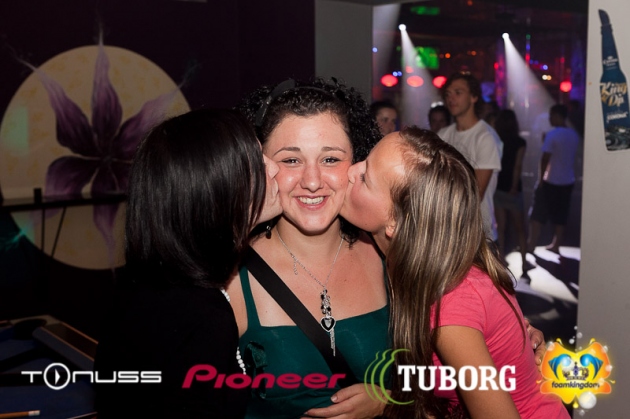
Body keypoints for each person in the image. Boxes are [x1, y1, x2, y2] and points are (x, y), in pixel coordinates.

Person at [341, 127, 569, 419]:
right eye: (364, 160)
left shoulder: (450, 304)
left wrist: (388, 403)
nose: (350, 170)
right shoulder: (419, 264)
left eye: (365, 177)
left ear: (396, 221)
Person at [94, 109, 282, 418]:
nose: (273, 168)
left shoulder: (144, 285)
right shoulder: (201, 319)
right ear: (216, 190)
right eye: (257, 162)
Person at [227, 78, 389, 419]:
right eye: (291, 160)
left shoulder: (391, 255)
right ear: (260, 165)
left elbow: (453, 383)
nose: (312, 181)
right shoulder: (229, 276)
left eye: (330, 159)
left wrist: (391, 401)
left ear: (357, 162)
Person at [438, 72, 502, 242]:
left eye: (458, 93)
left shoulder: (485, 137)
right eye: (448, 94)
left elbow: (475, 194)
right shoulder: (443, 134)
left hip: (477, 236)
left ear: (474, 97)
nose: (451, 98)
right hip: (446, 232)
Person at [528, 104, 580, 254]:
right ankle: (556, 244)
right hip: (567, 180)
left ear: (557, 116)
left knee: (538, 214)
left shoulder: (552, 135)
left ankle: (532, 244)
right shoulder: (574, 135)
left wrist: (540, 180)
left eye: (551, 116)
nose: (549, 119)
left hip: (550, 180)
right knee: (561, 214)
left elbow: (545, 158)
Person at [494, 109, 529, 269]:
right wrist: (514, 186)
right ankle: (524, 262)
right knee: (520, 228)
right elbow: (517, 166)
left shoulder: (496, 140)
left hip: (498, 186)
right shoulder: (520, 142)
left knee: (501, 228)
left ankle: (501, 259)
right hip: (513, 189)